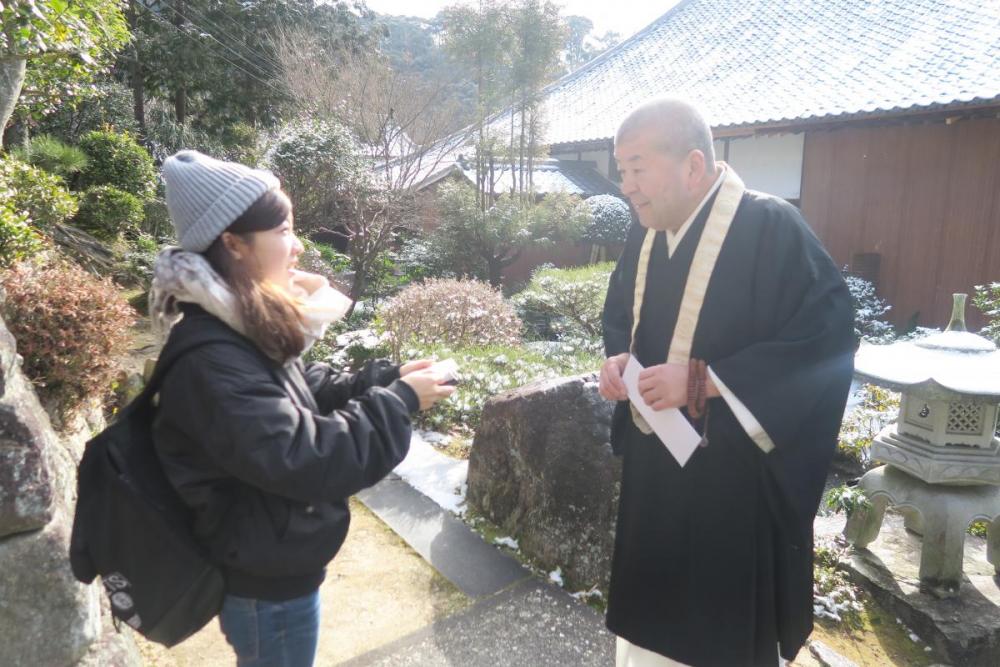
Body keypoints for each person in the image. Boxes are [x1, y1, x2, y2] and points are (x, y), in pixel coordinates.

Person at [149, 150, 454, 667]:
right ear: (233, 243)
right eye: (284, 230)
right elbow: (302, 459)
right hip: (265, 585)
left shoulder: (232, 323)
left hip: (271, 564)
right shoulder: (212, 356)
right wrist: (399, 402)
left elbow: (296, 388)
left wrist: (381, 379)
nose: (298, 244)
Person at [598, 98, 855, 667]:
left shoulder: (770, 226)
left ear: (692, 166)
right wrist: (618, 360)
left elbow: (829, 336)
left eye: (638, 168)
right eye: (622, 171)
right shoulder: (648, 230)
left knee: (719, 636)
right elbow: (621, 315)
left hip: (729, 478)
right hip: (655, 465)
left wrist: (709, 379)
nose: (627, 186)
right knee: (646, 631)